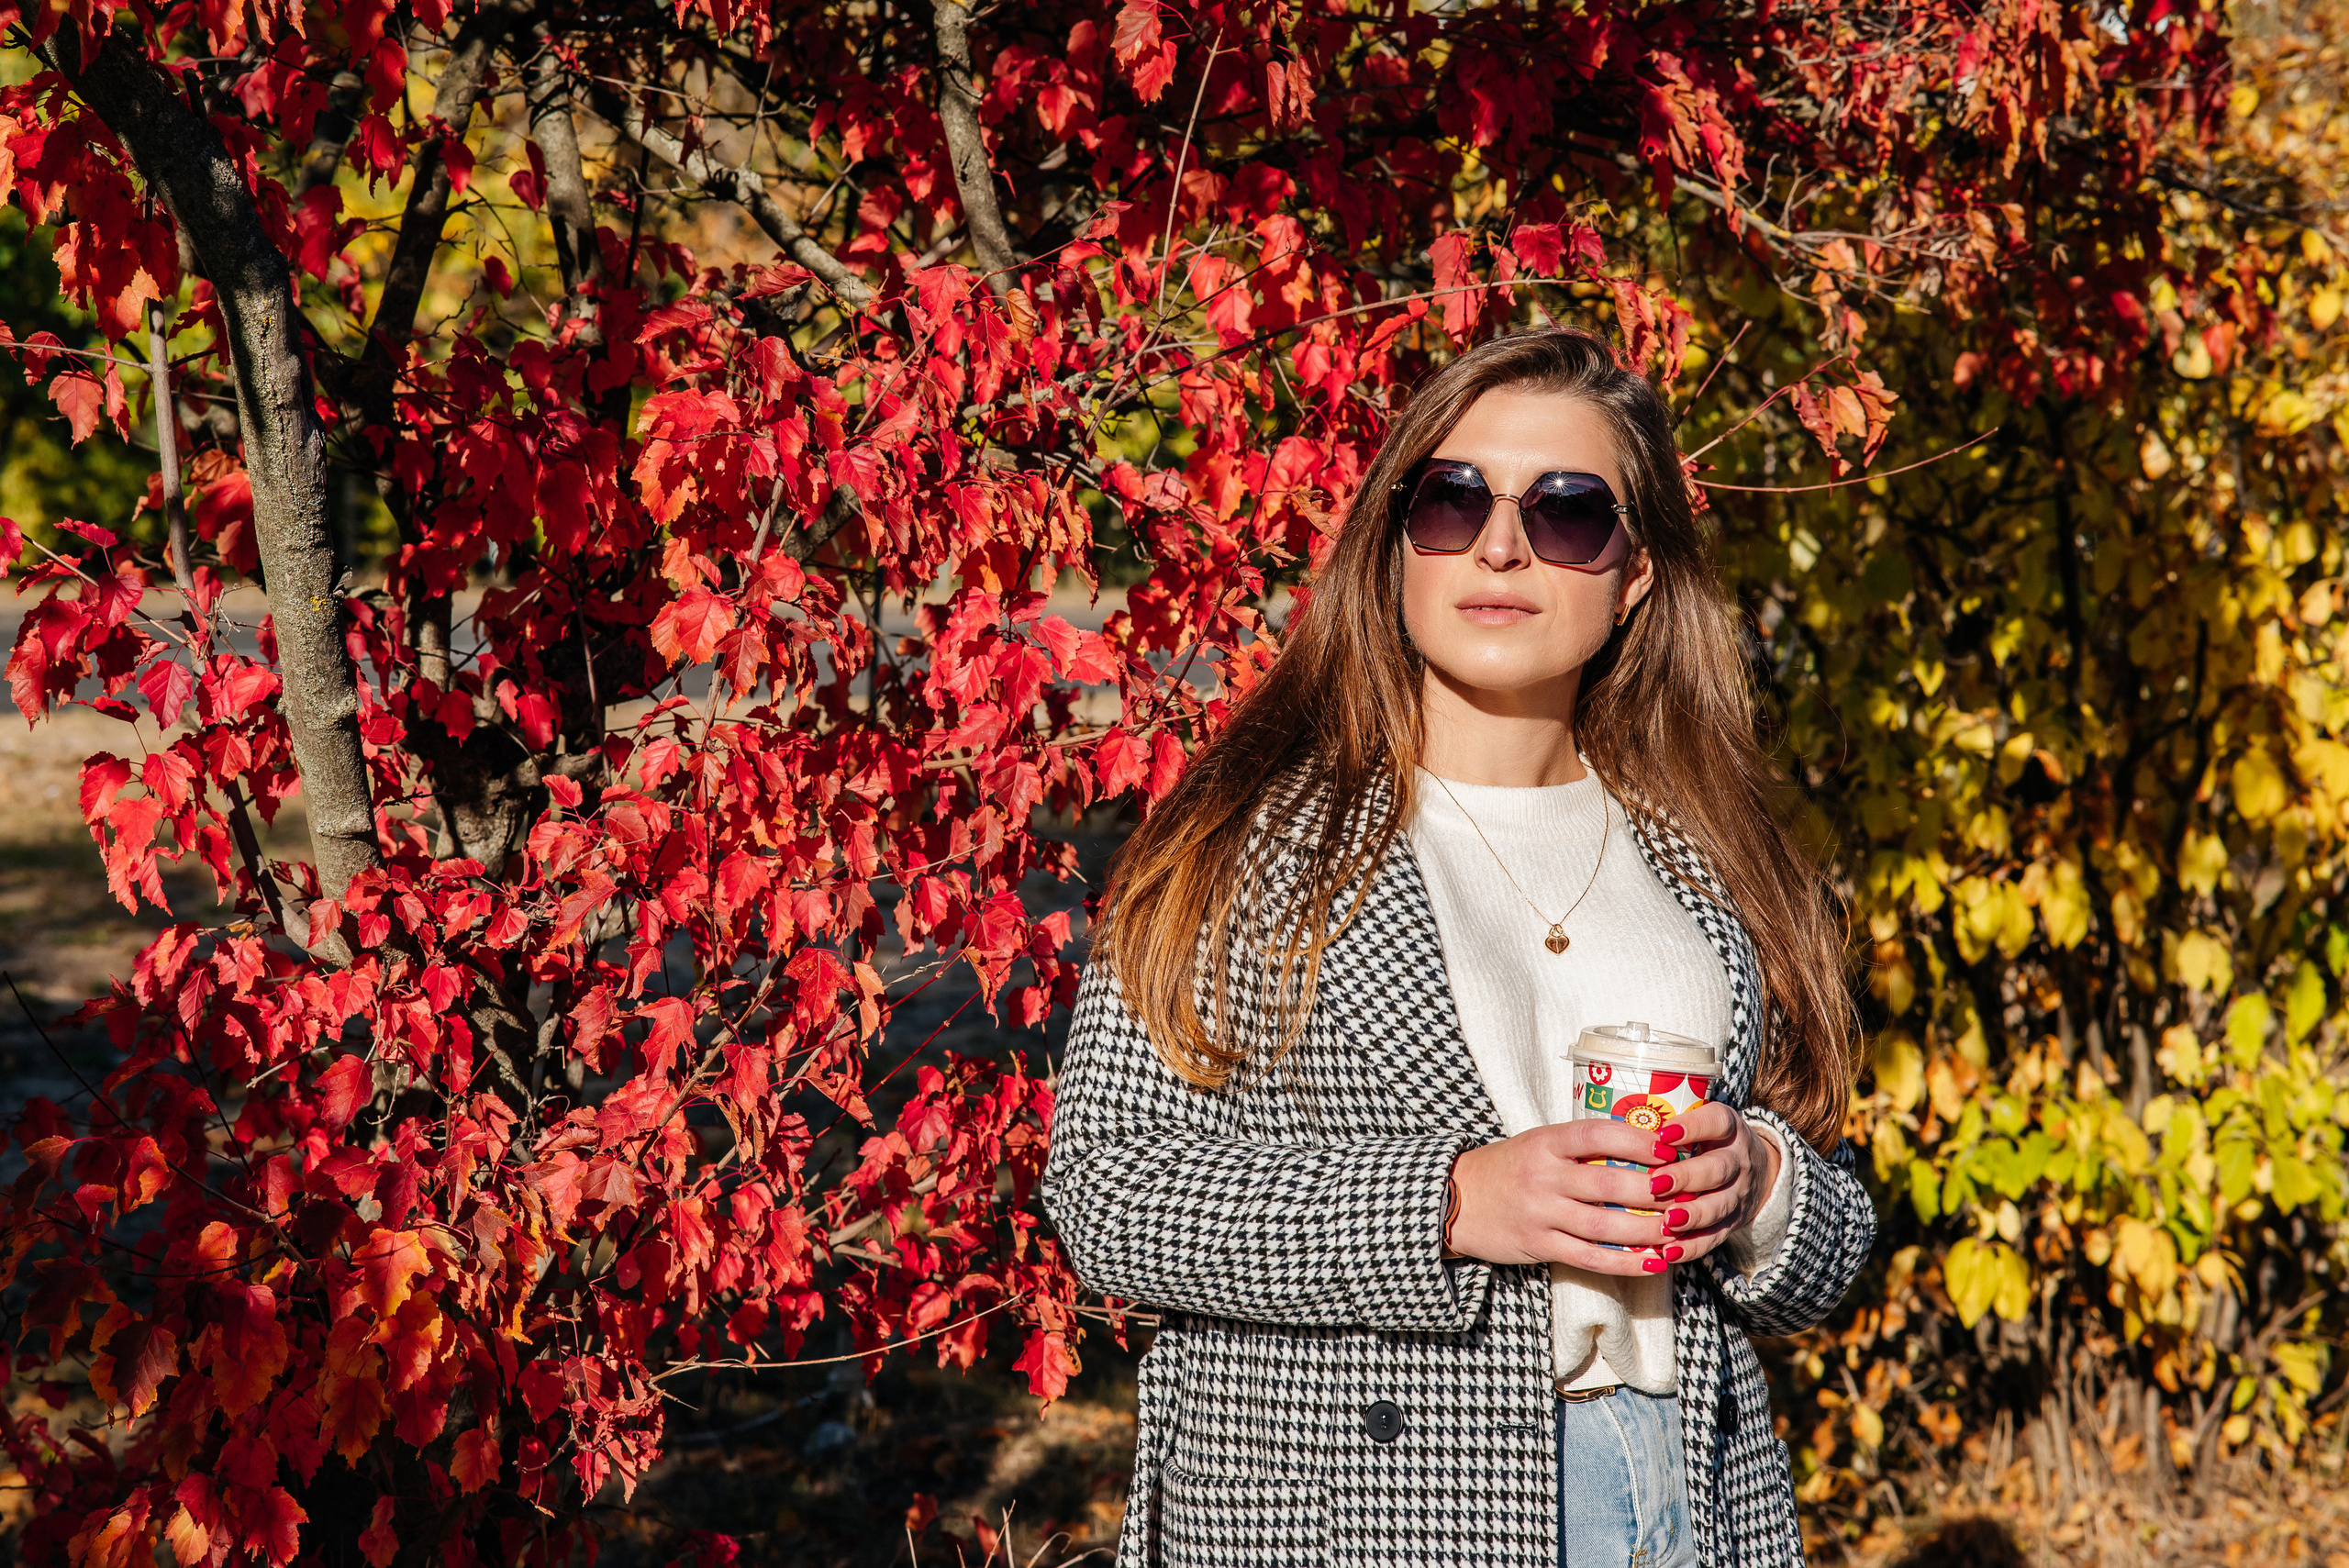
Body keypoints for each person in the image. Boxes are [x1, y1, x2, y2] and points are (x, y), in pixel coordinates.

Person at [1041, 327, 1876, 1567]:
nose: (1501, 544)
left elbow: (1830, 1245)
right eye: (1454, 498)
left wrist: (1760, 1188)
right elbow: (1103, 1195)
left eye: (1569, 514)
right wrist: (1446, 1201)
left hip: (1676, 1492)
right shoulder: (1251, 842)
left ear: (1632, 574)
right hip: (1357, 1511)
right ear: (1396, 542)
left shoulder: (1712, 857)